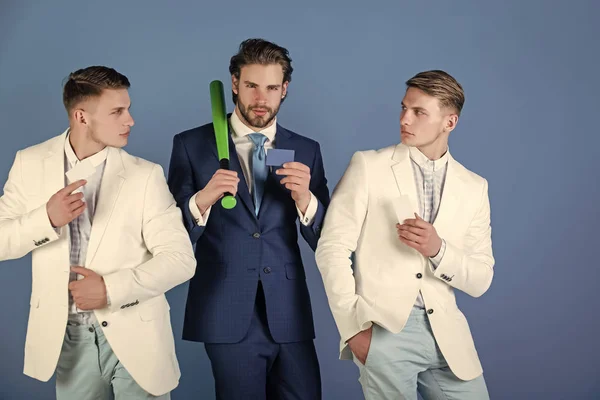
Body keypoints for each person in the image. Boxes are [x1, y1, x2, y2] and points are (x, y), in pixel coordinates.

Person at [0, 66, 196, 399]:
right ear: (81, 116)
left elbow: (180, 260)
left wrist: (109, 289)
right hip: (68, 341)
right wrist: (45, 219)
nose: (130, 120)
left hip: (138, 337)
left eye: (128, 108)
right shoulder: (29, 162)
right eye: (117, 111)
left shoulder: (145, 175)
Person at [315, 70, 494, 400]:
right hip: (384, 331)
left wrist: (438, 249)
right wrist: (353, 328)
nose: (404, 119)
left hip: (448, 336)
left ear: (449, 122)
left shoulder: (474, 187)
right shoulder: (369, 166)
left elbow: (481, 279)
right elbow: (332, 247)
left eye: (419, 112)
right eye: (403, 108)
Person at [167, 38, 330, 399]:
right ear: (235, 84)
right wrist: (203, 199)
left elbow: (329, 240)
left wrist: (306, 199)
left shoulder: (306, 150)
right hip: (225, 308)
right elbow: (168, 237)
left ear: (284, 89)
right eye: (252, 85)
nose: (261, 98)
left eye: (272, 88)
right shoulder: (191, 145)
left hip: (288, 311)